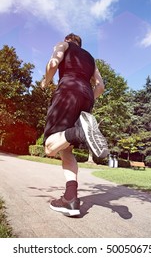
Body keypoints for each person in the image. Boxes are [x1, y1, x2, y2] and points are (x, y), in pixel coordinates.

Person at [41, 33, 109, 216]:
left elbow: (54, 63)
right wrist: (86, 97)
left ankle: (80, 133)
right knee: (65, 149)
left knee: (49, 147)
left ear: (69, 40)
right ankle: (70, 199)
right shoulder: (90, 58)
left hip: (68, 90)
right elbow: (100, 86)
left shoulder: (63, 45)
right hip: (86, 97)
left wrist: (46, 81)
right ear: (80, 43)